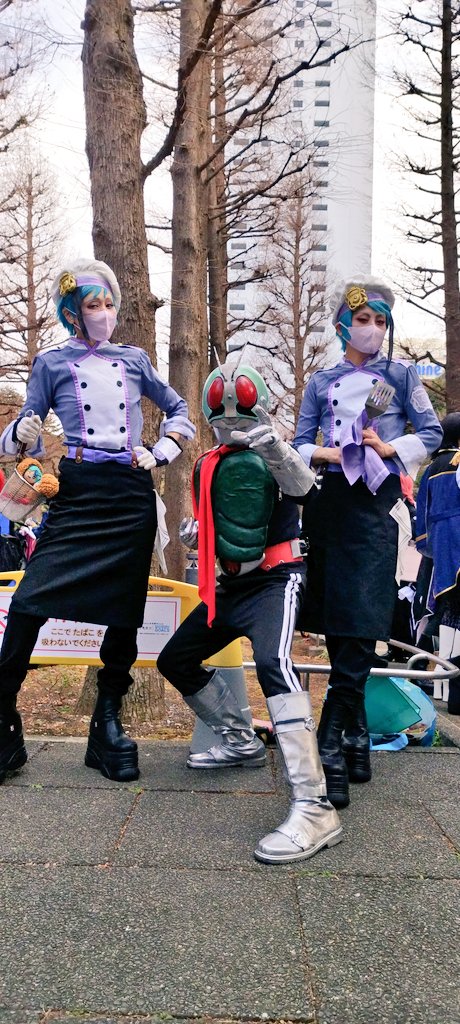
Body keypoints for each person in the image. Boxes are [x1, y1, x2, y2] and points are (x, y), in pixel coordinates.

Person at [0, 258, 195, 784]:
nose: (105, 312)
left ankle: (106, 723)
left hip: (130, 491)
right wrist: (21, 435)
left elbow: (181, 411)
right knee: (29, 600)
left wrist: (161, 451)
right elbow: (18, 441)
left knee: (125, 611)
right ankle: (3, 714)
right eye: (93, 305)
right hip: (79, 488)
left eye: (109, 303)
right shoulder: (50, 363)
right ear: (72, 313)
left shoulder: (134, 359)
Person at [157, 358, 342, 865]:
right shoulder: (207, 463)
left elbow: (305, 491)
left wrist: (275, 449)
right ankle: (240, 739)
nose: (231, 419)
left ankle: (315, 805)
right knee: (175, 659)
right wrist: (199, 534)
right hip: (229, 584)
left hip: (277, 579)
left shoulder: (276, 452)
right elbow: (213, 518)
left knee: (274, 664)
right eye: (223, 412)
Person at [293, 277, 442, 808]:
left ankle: (330, 742)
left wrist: (388, 446)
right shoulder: (321, 382)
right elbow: (298, 443)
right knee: (339, 625)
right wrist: (331, 453)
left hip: (377, 506)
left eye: (381, 321)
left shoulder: (401, 376)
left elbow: (431, 433)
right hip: (329, 505)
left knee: (362, 621)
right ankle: (356, 740)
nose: (372, 329)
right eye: (363, 320)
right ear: (342, 325)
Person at [415, 412, 460, 715]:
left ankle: (439, 681)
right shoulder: (458, 462)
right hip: (458, 534)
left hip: (440, 543)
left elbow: (422, 512)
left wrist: (427, 545)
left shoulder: (431, 467)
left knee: (445, 609)